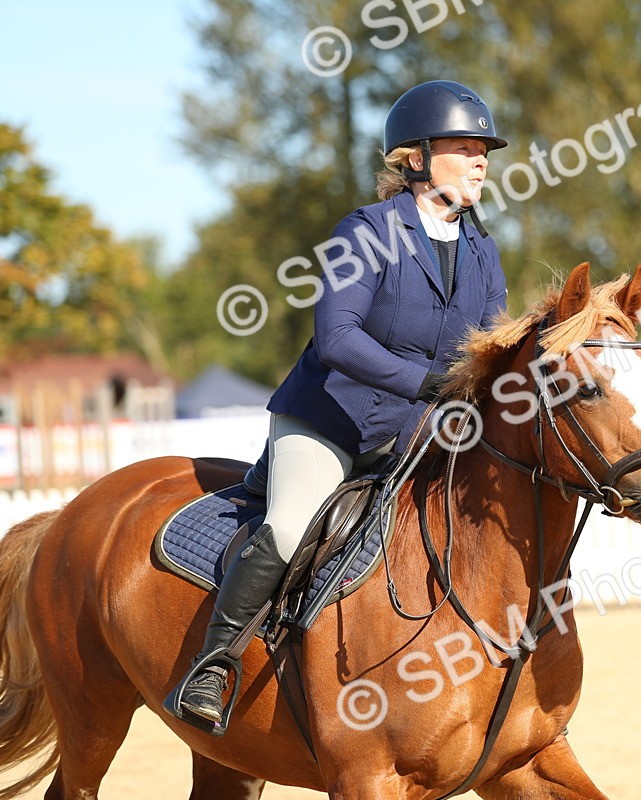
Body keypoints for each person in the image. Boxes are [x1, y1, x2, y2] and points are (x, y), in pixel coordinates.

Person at [168, 80, 509, 729]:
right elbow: (338, 338)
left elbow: (486, 353)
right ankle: (213, 666)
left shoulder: (483, 251)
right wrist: (431, 386)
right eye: (464, 147)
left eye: (484, 149)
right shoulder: (367, 230)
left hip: (413, 432)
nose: (480, 159)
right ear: (415, 156)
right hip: (328, 419)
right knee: (292, 523)